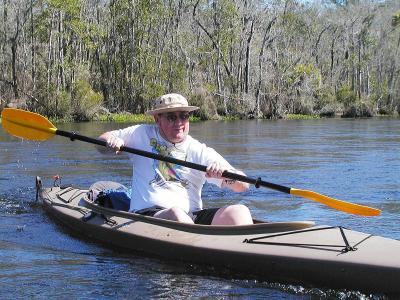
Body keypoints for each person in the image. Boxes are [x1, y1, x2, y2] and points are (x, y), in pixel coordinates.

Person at [98, 93, 253, 225]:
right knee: (175, 214)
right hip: (148, 215)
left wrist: (227, 176)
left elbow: (243, 186)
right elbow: (102, 141)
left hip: (191, 217)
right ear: (157, 119)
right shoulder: (141, 134)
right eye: (171, 117)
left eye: (184, 116)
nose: (179, 123)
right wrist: (111, 142)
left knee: (240, 212)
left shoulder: (199, 150)